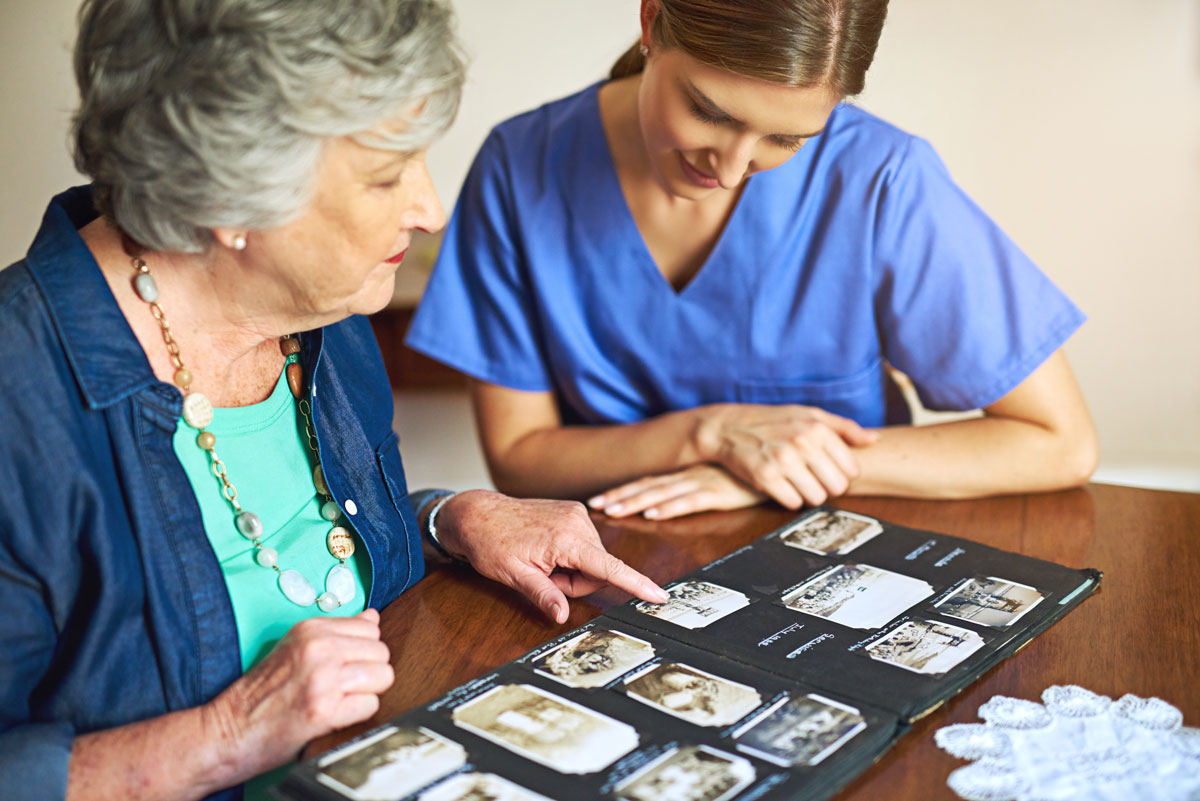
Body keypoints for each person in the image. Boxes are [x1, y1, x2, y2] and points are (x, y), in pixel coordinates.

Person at [0, 2, 669, 800]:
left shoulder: (319, 314)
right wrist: (223, 737)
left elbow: (304, 555)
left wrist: (444, 519)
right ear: (229, 192)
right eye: (386, 175)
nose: (429, 210)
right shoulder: (19, 399)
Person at [406, 0, 1099, 521]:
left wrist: (771, 471)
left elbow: (1059, 442)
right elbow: (521, 457)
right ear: (651, 22)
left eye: (786, 139)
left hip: (841, 564)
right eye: (709, 112)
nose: (734, 168)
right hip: (607, 569)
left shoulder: (881, 180)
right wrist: (709, 434)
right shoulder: (520, 168)